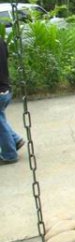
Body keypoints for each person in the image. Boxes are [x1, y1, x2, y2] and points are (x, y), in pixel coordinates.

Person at [0, 35, 25, 165]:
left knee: (0, 125)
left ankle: (9, 154)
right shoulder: (1, 40)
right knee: (0, 120)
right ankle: (16, 139)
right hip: (5, 88)